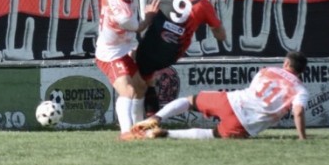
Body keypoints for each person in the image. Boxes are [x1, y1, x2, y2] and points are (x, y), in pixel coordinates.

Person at [131, 51, 310, 140]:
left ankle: (156, 117)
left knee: (190, 101)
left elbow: (255, 88)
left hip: (232, 101)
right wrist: (302, 137)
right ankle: (166, 134)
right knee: (213, 134)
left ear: (286, 63)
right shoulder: (301, 90)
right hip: (246, 124)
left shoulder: (268, 70)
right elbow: (299, 111)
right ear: (301, 71)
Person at [74, 0, 158, 139]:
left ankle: (139, 129)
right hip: (110, 54)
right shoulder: (124, 15)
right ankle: (126, 133)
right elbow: (140, 27)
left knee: (140, 87)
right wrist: (150, 15)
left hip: (124, 48)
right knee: (127, 91)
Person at [136, 0, 227, 114]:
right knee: (147, 78)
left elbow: (151, 11)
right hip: (172, 53)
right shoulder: (204, 5)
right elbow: (221, 36)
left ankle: (138, 120)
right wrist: (215, 28)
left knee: (136, 78)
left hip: (151, 45)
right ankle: (149, 119)